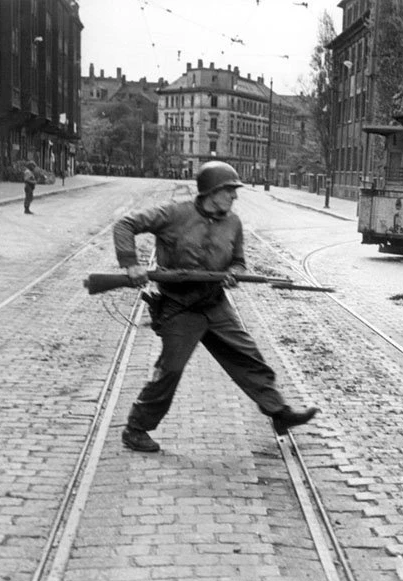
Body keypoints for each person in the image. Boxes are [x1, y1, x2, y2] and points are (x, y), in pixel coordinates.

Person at [113, 161, 318, 452]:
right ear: (212, 191)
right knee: (170, 369)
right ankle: (136, 429)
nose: (235, 197)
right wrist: (130, 264)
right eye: (230, 191)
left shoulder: (233, 222)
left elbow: (238, 259)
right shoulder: (173, 213)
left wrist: (235, 271)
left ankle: (279, 413)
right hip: (179, 306)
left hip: (215, 303)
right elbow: (125, 225)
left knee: (248, 356)